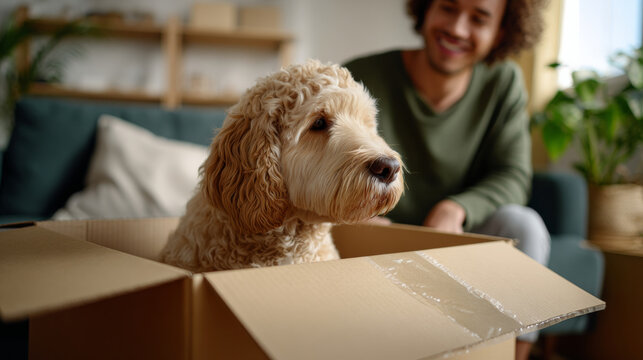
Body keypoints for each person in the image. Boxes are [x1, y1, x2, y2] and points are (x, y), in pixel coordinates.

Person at [344, 0, 550, 359]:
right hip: (376, 235)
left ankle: (514, 354)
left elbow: (512, 174)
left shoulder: (503, 83)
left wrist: (456, 209)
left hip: (459, 238)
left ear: (502, 31)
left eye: (479, 18)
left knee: (526, 225)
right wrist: (353, 213)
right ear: (425, 8)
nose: (457, 28)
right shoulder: (361, 77)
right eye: (448, 7)